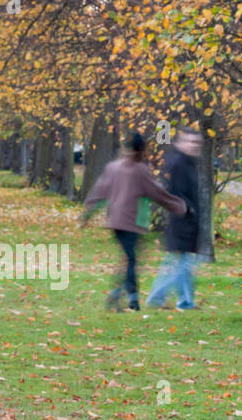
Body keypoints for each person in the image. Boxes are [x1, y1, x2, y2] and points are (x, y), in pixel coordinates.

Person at [80, 132, 186, 311]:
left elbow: (100, 191)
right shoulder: (140, 170)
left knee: (129, 259)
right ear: (142, 151)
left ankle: (122, 295)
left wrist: (87, 212)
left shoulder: (113, 167)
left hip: (115, 221)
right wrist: (179, 207)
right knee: (131, 259)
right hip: (133, 222)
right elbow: (157, 193)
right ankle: (131, 298)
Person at [146, 127, 202, 310]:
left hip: (186, 222)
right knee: (181, 266)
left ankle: (183, 301)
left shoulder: (187, 163)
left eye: (197, 142)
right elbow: (173, 193)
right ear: (179, 143)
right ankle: (160, 298)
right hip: (181, 223)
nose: (194, 146)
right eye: (190, 142)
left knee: (180, 265)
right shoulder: (178, 164)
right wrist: (188, 209)